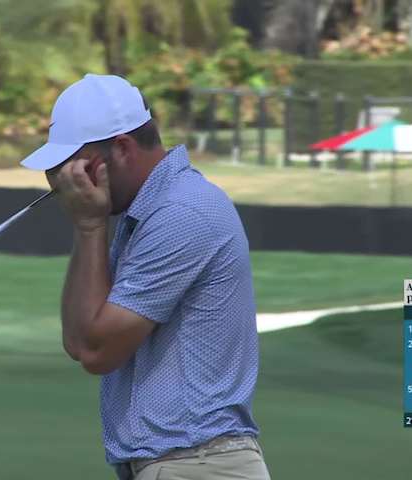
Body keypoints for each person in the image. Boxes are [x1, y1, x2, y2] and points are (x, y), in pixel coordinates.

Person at [20, 74, 269, 480]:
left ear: (122, 148)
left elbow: (99, 353)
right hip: (183, 464)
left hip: (196, 464)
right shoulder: (144, 213)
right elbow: (79, 343)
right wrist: (89, 226)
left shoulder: (181, 213)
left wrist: (89, 226)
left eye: (78, 164)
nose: (67, 178)